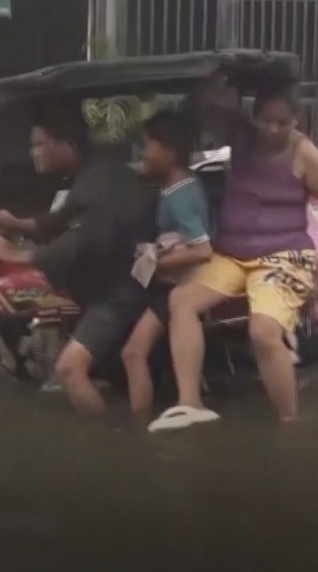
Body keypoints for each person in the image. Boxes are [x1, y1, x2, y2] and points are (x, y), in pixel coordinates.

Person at [149, 82, 318, 432]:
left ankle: (290, 423)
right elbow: (206, 109)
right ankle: (190, 403)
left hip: (284, 256)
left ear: (295, 121)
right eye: (266, 121)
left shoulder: (305, 154)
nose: (272, 130)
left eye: (282, 123)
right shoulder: (241, 137)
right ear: (254, 118)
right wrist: (214, 81)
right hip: (231, 254)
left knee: (263, 332)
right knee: (181, 300)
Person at [0, 103, 153, 415]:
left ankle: (110, 444)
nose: (33, 152)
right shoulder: (93, 173)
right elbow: (61, 220)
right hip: (108, 280)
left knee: (70, 370)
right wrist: (19, 224)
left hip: (117, 292)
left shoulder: (98, 184)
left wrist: (15, 254)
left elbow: (83, 244)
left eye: (39, 144)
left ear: (68, 145)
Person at [121, 111, 214, 419]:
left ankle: (138, 427)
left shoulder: (180, 195)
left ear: (170, 151)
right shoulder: (181, 184)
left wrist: (160, 263)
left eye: (148, 145)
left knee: (133, 353)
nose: (143, 154)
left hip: (177, 286)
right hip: (173, 282)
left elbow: (202, 250)